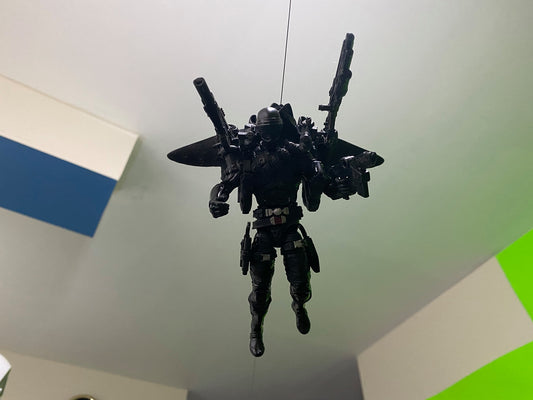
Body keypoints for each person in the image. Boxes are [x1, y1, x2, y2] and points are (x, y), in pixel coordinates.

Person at [208, 106, 326, 357]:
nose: (270, 136)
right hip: (263, 228)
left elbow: (317, 178)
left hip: (290, 225)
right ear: (259, 131)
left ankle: (299, 305)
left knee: (301, 283)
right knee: (260, 289)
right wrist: (215, 200)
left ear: (280, 129)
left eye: (274, 130)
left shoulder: (294, 153)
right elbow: (225, 185)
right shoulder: (249, 157)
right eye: (266, 131)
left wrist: (324, 175)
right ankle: (256, 327)